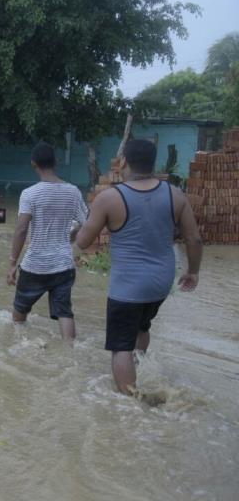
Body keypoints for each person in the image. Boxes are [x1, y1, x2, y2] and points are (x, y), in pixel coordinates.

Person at [76, 139, 203, 395]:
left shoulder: (109, 198)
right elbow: (194, 239)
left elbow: (83, 241)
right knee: (142, 327)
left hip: (128, 287)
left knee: (120, 346)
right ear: (153, 163)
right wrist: (193, 271)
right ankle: (138, 368)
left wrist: (77, 231)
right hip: (161, 284)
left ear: (123, 162)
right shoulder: (175, 195)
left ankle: (129, 404)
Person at [7, 142, 88, 344]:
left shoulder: (29, 194)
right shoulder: (73, 192)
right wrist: (70, 236)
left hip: (34, 265)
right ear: (56, 162)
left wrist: (12, 262)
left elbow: (21, 230)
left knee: (19, 312)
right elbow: (86, 223)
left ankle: (18, 349)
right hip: (63, 265)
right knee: (64, 312)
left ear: (33, 164)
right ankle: (70, 351)